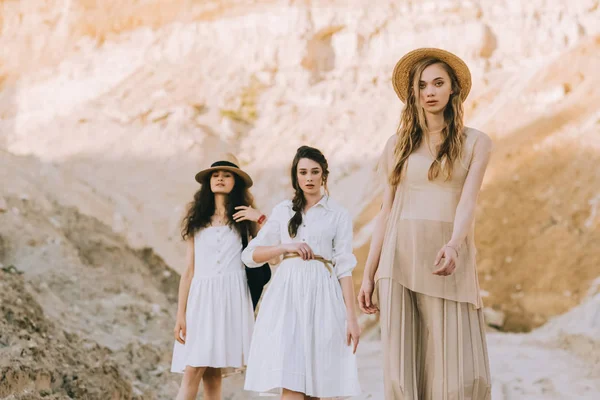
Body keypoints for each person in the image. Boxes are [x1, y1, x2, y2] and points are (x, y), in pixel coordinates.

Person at [358, 48, 493, 399]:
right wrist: (369, 275)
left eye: (438, 83)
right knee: (402, 371)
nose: (429, 91)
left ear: (453, 90)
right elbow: (386, 212)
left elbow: (468, 202)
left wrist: (454, 245)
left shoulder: (476, 142)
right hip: (398, 257)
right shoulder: (397, 146)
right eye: (422, 85)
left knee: (459, 374)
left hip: (445, 257)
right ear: (412, 94)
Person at [242, 146, 362, 399]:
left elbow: (344, 267)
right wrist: (286, 247)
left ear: (324, 175)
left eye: (315, 172)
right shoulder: (284, 210)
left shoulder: (338, 214)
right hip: (287, 298)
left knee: (318, 386)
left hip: (324, 298)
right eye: (303, 172)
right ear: (296, 177)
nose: (309, 178)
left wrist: (352, 318)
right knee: (292, 381)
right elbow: (250, 255)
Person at [171, 153, 266, 400]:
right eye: (215, 175)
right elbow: (189, 271)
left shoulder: (245, 220)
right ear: (208, 183)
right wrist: (181, 314)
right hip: (201, 299)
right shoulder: (197, 221)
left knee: (213, 372)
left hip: (231, 297)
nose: (220, 179)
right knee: (193, 369)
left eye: (226, 175)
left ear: (236, 182)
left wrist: (260, 218)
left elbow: (274, 248)